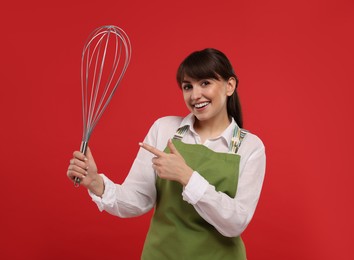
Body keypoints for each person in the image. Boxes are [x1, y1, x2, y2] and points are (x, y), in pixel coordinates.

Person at [67, 48, 266, 260]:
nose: (195, 95)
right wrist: (96, 183)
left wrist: (187, 177)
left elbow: (236, 222)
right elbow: (138, 200)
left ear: (230, 86)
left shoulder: (249, 147)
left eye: (205, 83)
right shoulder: (164, 129)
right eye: (187, 86)